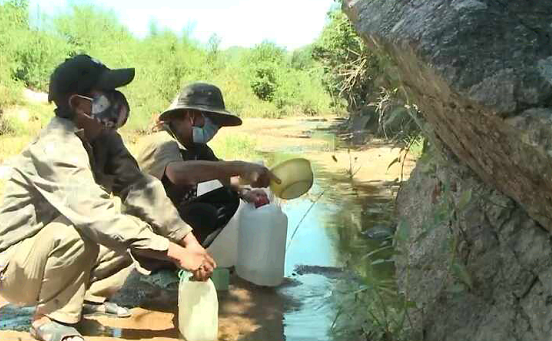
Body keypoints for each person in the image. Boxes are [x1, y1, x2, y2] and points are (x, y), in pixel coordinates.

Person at [0, 55, 215, 341]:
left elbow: (141, 189)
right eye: (106, 94)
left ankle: (85, 298)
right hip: (12, 266)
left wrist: (187, 240)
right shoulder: (55, 147)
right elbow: (98, 218)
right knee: (85, 230)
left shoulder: (103, 139)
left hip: (47, 255)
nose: (116, 99)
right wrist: (176, 255)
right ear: (78, 104)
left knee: (136, 226)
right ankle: (49, 317)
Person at [137, 82, 279, 248]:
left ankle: (187, 254)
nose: (216, 129)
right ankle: (166, 261)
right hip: (143, 228)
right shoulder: (162, 141)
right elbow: (177, 173)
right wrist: (240, 166)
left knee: (227, 197)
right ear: (192, 116)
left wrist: (244, 191)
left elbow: (222, 175)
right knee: (203, 213)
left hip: (169, 218)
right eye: (214, 121)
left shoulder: (196, 148)